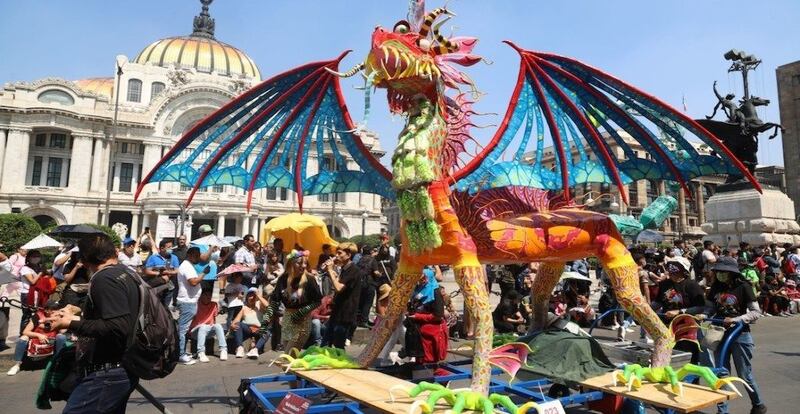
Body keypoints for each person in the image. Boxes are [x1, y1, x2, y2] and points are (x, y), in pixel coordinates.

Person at [44, 234, 141, 413]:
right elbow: (118, 313)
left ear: (85, 259)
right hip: (121, 368)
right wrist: (78, 312)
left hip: (107, 372)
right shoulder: (126, 273)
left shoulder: (104, 278)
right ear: (114, 251)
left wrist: (70, 324)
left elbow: (118, 326)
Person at [705, 256, 767, 414]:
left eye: (723, 271)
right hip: (719, 335)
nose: (720, 274)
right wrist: (704, 315)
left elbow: (755, 312)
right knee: (722, 374)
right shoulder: (715, 287)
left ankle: (758, 404)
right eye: (718, 271)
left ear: (731, 273)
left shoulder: (744, 287)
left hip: (740, 335)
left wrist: (735, 319)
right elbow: (710, 308)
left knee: (744, 374)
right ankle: (722, 411)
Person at [266, 250, 322, 351]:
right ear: (291, 264)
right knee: (289, 359)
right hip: (287, 318)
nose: (303, 266)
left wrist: (302, 312)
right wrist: (267, 319)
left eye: (305, 263)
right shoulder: (283, 278)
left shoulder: (310, 279)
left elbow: (318, 300)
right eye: (300, 263)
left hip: (302, 320)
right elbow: (275, 299)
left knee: (288, 355)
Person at [655, 257, 706, 363]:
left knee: (688, 357)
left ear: (683, 271)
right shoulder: (665, 284)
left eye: (675, 272)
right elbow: (658, 302)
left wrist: (680, 311)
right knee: (668, 357)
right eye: (671, 272)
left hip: (687, 328)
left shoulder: (691, 285)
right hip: (667, 327)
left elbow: (701, 306)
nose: (672, 275)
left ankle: (691, 379)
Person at [7, 300, 67, 376]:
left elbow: (63, 331)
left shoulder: (58, 317)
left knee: (61, 337)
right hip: (37, 341)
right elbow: (25, 331)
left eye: (57, 309)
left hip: (51, 340)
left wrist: (61, 321)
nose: (56, 311)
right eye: (53, 309)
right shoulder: (37, 316)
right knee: (23, 338)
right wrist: (39, 335)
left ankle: (58, 362)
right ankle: (17, 365)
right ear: (46, 310)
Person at [322, 242, 363, 349]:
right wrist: (331, 271)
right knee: (326, 342)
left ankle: (340, 364)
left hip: (345, 313)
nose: (337, 256)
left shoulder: (353, 270)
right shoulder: (344, 269)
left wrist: (331, 270)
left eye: (340, 253)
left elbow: (339, 288)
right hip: (337, 311)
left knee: (338, 345)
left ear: (348, 255)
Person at [407, 268, 448, 365]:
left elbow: (438, 315)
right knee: (420, 360)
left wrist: (418, 316)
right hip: (419, 331)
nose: (421, 281)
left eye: (423, 278)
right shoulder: (418, 289)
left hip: (432, 333)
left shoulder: (435, 292)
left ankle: (441, 378)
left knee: (429, 361)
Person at [176, 247, 209, 365]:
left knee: (185, 329)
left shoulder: (189, 265)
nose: (198, 257)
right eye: (196, 255)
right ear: (189, 255)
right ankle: (180, 355)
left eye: (198, 255)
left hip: (190, 301)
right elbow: (193, 282)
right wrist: (204, 273)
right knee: (183, 330)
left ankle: (182, 352)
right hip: (187, 302)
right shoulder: (186, 266)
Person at [189, 290, 227, 362]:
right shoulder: (196, 304)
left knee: (218, 326)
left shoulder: (214, 305)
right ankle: (201, 352)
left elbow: (215, 317)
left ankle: (223, 350)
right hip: (196, 331)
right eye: (206, 295)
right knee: (203, 326)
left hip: (208, 330)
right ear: (201, 296)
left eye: (210, 295)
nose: (208, 297)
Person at [230, 288, 269, 358]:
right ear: (247, 297)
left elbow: (268, 306)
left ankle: (255, 349)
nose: (252, 298)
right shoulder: (244, 308)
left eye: (254, 296)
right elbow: (235, 321)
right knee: (238, 324)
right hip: (248, 329)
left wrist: (258, 296)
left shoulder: (259, 305)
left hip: (258, 329)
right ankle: (240, 348)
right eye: (250, 296)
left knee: (267, 331)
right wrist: (232, 325)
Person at [143, 239, 180, 307]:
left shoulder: (174, 258)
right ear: (162, 248)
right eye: (169, 247)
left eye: (171, 247)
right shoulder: (153, 257)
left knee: (165, 307)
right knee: (155, 307)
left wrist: (168, 272)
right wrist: (159, 273)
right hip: (156, 287)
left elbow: (177, 271)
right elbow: (147, 271)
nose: (171, 249)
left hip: (169, 288)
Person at [18, 249, 43, 334]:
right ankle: (23, 334)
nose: (36, 258)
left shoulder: (39, 267)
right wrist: (40, 273)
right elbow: (32, 281)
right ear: (28, 258)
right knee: (27, 315)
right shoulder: (25, 268)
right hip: (27, 294)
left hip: (38, 293)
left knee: (37, 315)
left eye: (38, 256)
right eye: (34, 256)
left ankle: (32, 333)